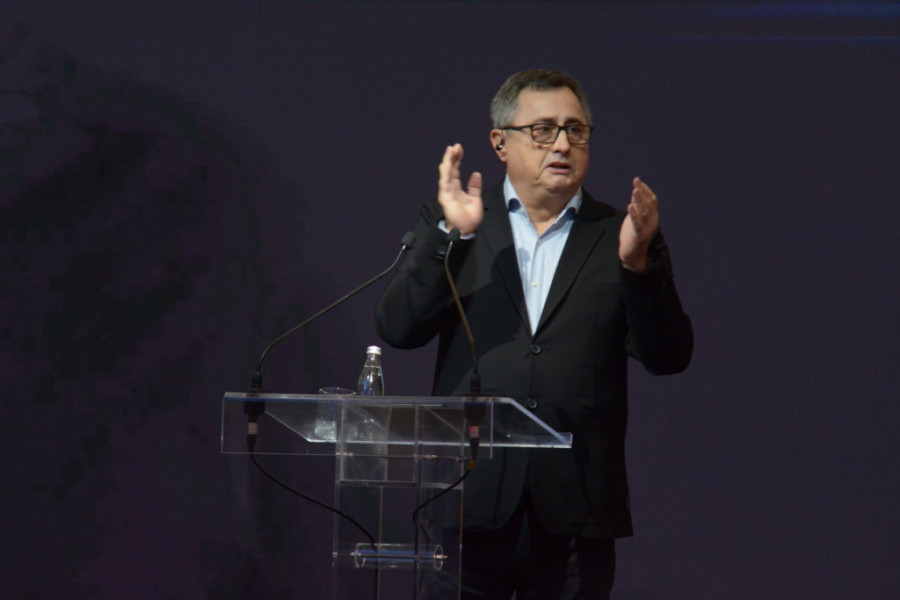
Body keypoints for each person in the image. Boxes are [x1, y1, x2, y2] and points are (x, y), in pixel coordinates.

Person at [375, 69, 693, 599]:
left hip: (577, 512)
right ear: (501, 143)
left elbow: (668, 355)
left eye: (576, 130)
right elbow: (398, 328)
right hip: (468, 503)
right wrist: (451, 237)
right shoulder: (459, 223)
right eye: (543, 130)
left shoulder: (622, 233)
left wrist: (638, 266)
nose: (562, 144)